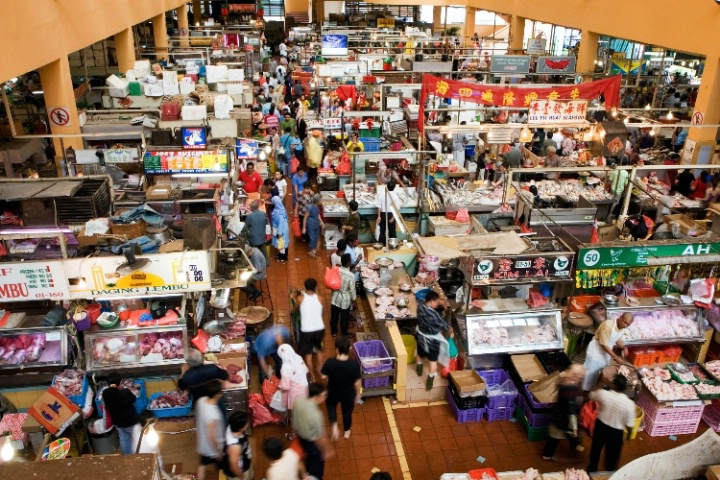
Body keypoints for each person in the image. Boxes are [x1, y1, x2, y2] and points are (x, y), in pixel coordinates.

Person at [587, 375, 636, 473]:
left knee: (596, 449)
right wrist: (629, 435)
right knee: (612, 456)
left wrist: (599, 381)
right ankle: (610, 473)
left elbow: (591, 395)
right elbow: (630, 425)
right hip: (616, 433)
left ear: (613, 385)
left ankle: (592, 470)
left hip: (600, 427)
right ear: (625, 387)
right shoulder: (629, 404)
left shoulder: (604, 394)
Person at [321, 337, 362, 440]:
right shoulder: (354, 365)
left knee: (331, 406)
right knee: (347, 412)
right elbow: (357, 382)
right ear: (349, 349)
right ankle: (347, 431)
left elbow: (323, 376)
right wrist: (358, 393)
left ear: (337, 349)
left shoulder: (330, 362)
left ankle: (334, 426)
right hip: (348, 393)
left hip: (333, 390)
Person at [542, 365, 585, 460]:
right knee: (554, 438)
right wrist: (574, 427)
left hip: (559, 414)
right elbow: (570, 409)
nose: (583, 376)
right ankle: (547, 455)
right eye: (581, 375)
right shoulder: (570, 388)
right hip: (562, 418)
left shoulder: (564, 379)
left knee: (556, 437)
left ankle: (575, 446)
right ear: (576, 376)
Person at [582, 313, 634, 391]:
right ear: (620, 317)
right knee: (589, 375)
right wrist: (616, 357)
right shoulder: (608, 325)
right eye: (625, 322)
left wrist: (623, 347)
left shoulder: (621, 328)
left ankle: (594, 391)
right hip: (596, 351)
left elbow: (616, 338)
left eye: (628, 324)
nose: (626, 325)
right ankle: (584, 392)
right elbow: (604, 344)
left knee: (601, 373)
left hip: (605, 353)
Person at [415, 290, 452, 390]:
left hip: (420, 336)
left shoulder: (420, 306)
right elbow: (445, 326)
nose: (437, 304)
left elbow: (423, 299)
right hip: (432, 342)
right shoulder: (434, 315)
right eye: (436, 301)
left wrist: (440, 301)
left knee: (419, 354)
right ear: (431, 301)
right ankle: (429, 382)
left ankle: (419, 370)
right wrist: (451, 333)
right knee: (432, 361)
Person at [292, 383, 329, 480]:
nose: (324, 398)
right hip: (311, 441)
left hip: (300, 436)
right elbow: (319, 437)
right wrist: (325, 451)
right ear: (316, 396)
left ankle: (307, 471)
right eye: (323, 396)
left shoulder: (298, 401)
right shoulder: (316, 415)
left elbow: (294, 418)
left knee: (309, 454)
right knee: (317, 458)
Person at [291, 278, 326, 380]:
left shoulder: (300, 299)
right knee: (319, 349)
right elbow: (322, 312)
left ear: (305, 287)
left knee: (308, 354)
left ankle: (312, 375)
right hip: (319, 329)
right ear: (316, 287)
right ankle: (320, 370)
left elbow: (295, 309)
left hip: (307, 331)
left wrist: (293, 298)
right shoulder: (320, 298)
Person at [102, 372, 141, 455]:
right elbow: (133, 399)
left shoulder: (105, 393)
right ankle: (141, 454)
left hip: (117, 422)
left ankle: (127, 457)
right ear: (120, 383)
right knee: (138, 437)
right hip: (130, 422)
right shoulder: (125, 393)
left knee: (124, 439)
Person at [195, 380, 226, 480]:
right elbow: (211, 435)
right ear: (216, 394)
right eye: (221, 391)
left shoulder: (201, 401)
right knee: (223, 467)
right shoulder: (213, 413)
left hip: (203, 445)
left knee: (203, 464)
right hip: (214, 448)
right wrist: (218, 453)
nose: (222, 392)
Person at [330, 254, 357, 338]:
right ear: (348, 263)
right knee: (344, 317)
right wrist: (354, 298)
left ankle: (334, 331)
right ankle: (344, 333)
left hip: (335, 296)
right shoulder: (351, 276)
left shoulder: (336, 269)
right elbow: (352, 289)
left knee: (334, 315)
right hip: (345, 298)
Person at [278, 343, 310, 410]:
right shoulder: (298, 357)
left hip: (295, 393)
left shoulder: (285, 367)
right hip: (305, 388)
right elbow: (306, 370)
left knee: (295, 411)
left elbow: (285, 386)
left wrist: (278, 386)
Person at [223, 412, 253, 480]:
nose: (248, 423)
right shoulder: (235, 446)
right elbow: (234, 467)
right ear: (240, 428)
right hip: (240, 472)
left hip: (246, 461)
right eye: (246, 423)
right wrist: (241, 477)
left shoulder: (231, 427)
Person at [303, 194, 324, 258]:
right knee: (312, 238)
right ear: (317, 202)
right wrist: (304, 228)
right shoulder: (310, 207)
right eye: (321, 200)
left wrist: (321, 222)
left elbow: (318, 215)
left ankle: (313, 250)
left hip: (316, 224)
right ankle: (310, 251)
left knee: (316, 238)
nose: (322, 201)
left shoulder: (317, 207)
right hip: (310, 224)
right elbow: (305, 217)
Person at [271, 196, 290, 262]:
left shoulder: (279, 213)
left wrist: (279, 233)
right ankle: (281, 255)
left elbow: (280, 223)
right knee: (283, 242)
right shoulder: (281, 209)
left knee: (281, 242)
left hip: (281, 229)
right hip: (284, 228)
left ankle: (283, 257)